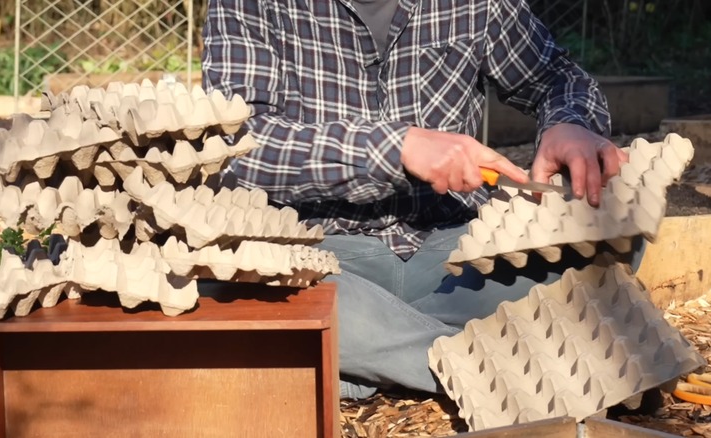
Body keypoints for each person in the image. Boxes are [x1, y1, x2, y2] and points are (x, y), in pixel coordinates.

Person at [202, 0, 642, 399]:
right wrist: (395, 148)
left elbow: (557, 78)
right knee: (220, 282)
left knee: (613, 234)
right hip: (320, 257)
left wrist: (568, 123)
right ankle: (482, 367)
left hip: (453, 255)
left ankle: (362, 360)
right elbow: (239, 146)